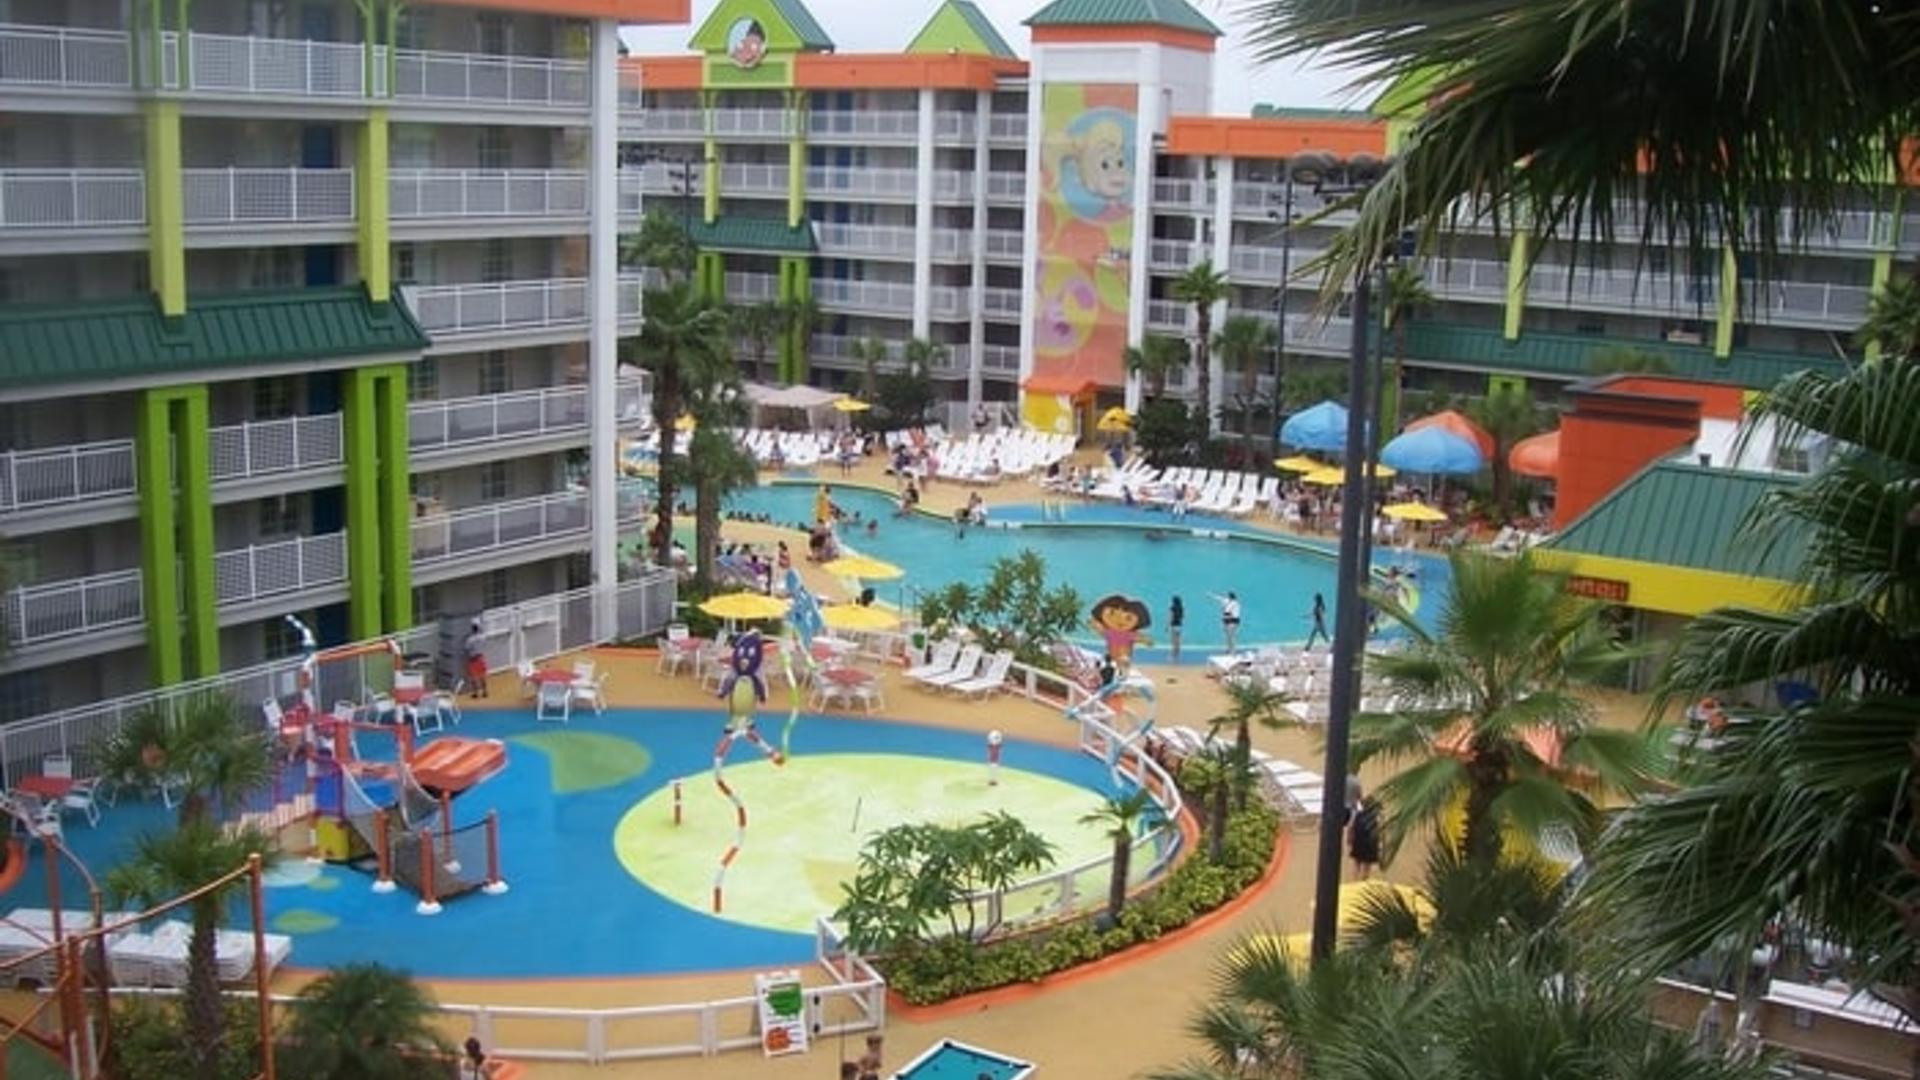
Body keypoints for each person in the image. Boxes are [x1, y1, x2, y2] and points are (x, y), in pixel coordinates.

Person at [1349, 795, 1382, 879]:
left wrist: (1350, 839)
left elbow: (1351, 826)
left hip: (1358, 841)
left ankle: (1354, 880)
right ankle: (1363, 880)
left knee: (1357, 862)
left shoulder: (1358, 814)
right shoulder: (1375, 816)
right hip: (1370, 843)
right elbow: (1379, 829)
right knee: (1367, 865)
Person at [462, 620, 489, 699]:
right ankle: (485, 691)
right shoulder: (482, 637)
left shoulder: (470, 640)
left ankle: (476, 693)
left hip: (473, 659)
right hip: (480, 657)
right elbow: (485, 639)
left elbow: (466, 648)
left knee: (473, 677)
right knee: (482, 676)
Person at [1168, 595, 1185, 662]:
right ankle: (1177, 654)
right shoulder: (1181, 608)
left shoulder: (1172, 608)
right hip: (1180, 625)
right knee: (1178, 641)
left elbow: (1170, 617)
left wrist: (1167, 626)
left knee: (1173, 641)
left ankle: (1172, 655)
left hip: (1174, 625)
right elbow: (1183, 616)